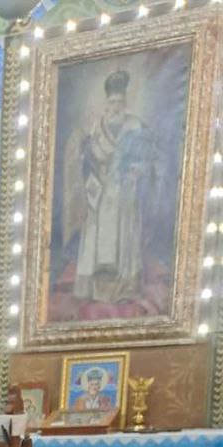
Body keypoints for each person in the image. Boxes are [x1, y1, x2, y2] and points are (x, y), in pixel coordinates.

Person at [64, 67, 153, 306]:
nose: (116, 106)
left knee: (124, 237)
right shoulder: (95, 127)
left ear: (126, 102)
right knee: (97, 236)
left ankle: (125, 288)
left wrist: (137, 170)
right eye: (112, 102)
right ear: (107, 102)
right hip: (101, 192)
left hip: (125, 191)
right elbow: (85, 158)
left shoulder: (136, 126)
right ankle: (94, 290)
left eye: (120, 102)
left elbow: (148, 160)